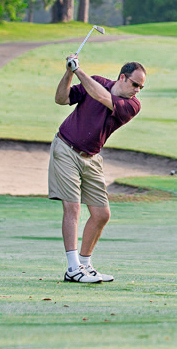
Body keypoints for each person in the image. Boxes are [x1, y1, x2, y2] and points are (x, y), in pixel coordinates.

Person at [49, 56, 147, 283]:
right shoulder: (95, 81)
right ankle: (73, 268)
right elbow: (61, 99)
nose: (138, 90)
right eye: (135, 84)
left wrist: (79, 70)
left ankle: (85, 264)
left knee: (102, 214)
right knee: (72, 208)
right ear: (122, 77)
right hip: (66, 148)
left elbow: (101, 96)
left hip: (92, 157)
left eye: (141, 87)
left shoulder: (132, 106)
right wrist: (69, 73)